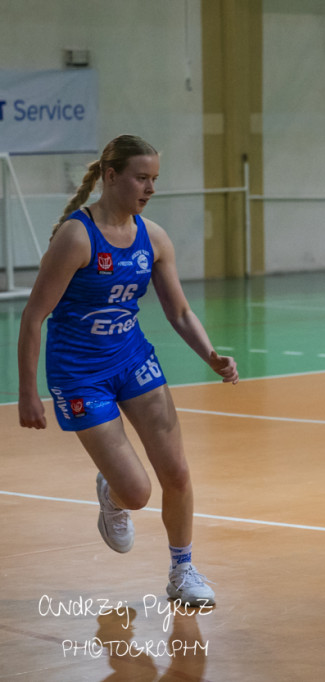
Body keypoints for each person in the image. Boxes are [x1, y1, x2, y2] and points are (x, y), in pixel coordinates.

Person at [17, 135, 238, 606]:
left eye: (155, 179)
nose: (150, 188)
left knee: (176, 472)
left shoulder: (153, 237)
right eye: (142, 177)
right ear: (111, 176)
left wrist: (211, 356)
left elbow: (178, 312)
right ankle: (114, 493)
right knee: (137, 492)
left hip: (133, 359)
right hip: (80, 374)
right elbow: (34, 315)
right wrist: (28, 392)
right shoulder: (77, 237)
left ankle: (183, 570)